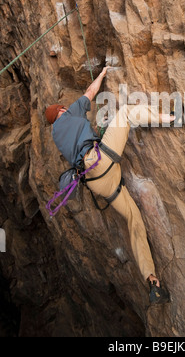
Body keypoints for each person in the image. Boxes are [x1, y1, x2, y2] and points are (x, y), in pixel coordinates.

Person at [45, 67, 174, 304]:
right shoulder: (69, 113)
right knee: (125, 113)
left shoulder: (55, 135)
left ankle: (152, 281)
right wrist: (103, 73)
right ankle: (172, 118)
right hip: (101, 159)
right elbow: (91, 91)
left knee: (133, 217)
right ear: (60, 110)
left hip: (98, 183)